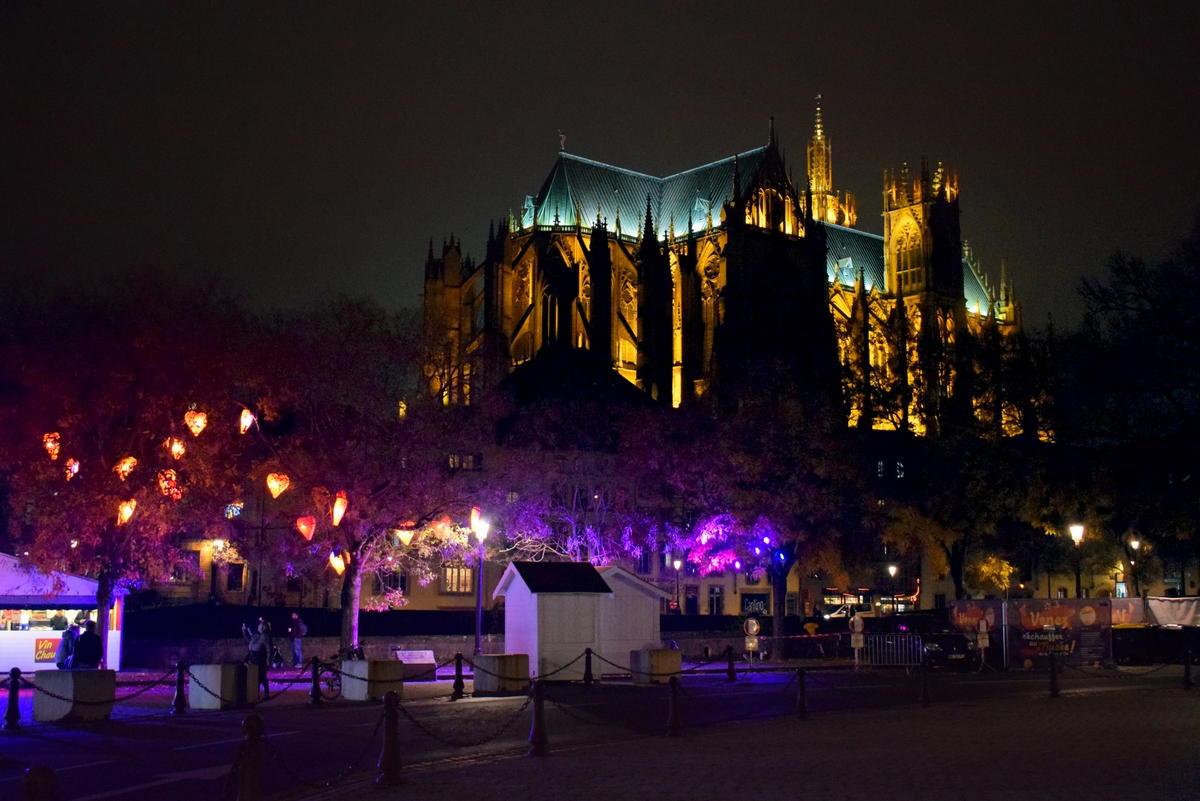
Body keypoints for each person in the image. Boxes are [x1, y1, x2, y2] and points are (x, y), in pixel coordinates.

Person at [242, 620, 272, 699]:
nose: (258, 626)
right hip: (253, 657)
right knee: (255, 676)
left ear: (263, 627)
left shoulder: (265, 637)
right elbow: (250, 639)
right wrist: (245, 631)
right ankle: (256, 693)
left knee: (261, 676)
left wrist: (268, 662)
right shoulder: (256, 634)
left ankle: (265, 693)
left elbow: (269, 650)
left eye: (260, 625)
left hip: (260, 658)